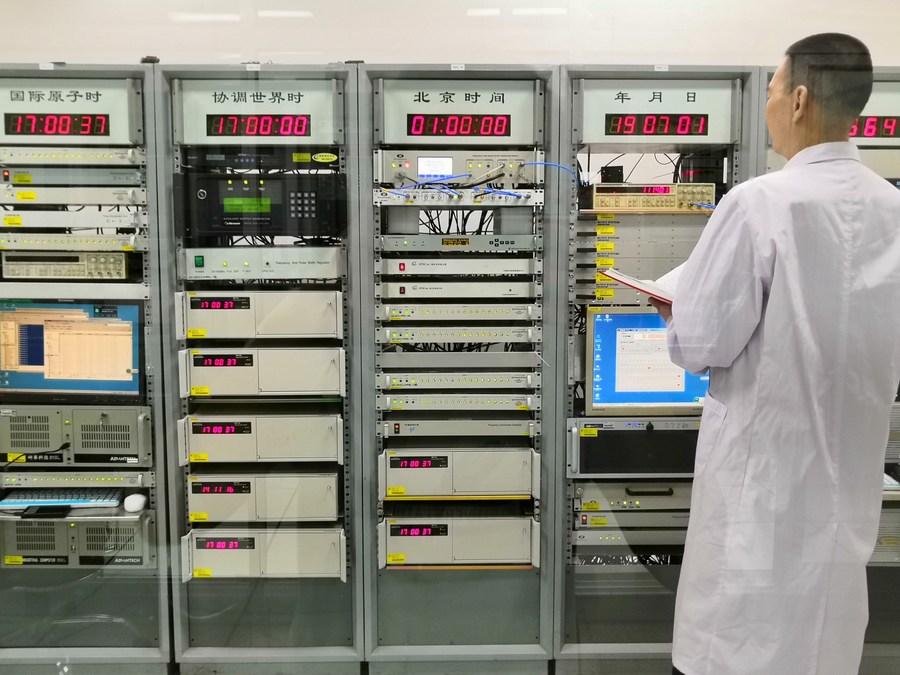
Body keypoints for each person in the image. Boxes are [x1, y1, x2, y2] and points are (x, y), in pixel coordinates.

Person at [650, 33, 900, 675]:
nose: (766, 106)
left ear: (799, 100)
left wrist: (674, 312)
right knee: (820, 648)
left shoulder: (758, 205)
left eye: (770, 90)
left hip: (756, 506)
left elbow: (701, 344)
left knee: (738, 647)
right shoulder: (894, 210)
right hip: (844, 501)